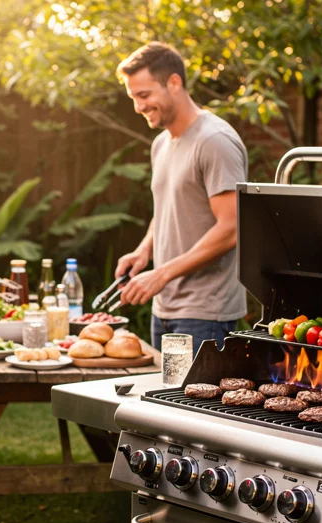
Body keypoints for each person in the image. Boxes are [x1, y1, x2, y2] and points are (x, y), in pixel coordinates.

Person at [114, 42, 248, 354]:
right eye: (133, 97)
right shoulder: (161, 144)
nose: (138, 107)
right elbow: (168, 208)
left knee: (192, 403)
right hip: (164, 308)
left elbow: (231, 228)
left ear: (174, 82)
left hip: (205, 312)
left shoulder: (214, 141)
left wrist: (161, 274)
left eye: (144, 95)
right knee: (162, 403)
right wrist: (144, 250)